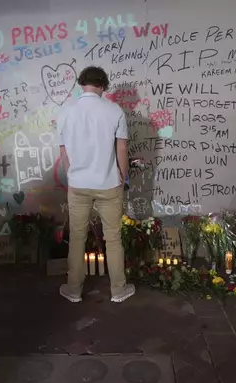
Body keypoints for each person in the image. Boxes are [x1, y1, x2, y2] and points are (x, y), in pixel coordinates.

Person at [56, 66, 135, 303]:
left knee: (77, 237)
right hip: (108, 184)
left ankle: (74, 290)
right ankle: (118, 290)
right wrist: (123, 176)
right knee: (113, 238)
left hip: (78, 184)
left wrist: (73, 174)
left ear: (82, 83)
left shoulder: (65, 111)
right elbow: (121, 148)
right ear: (102, 85)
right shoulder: (114, 110)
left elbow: (63, 150)